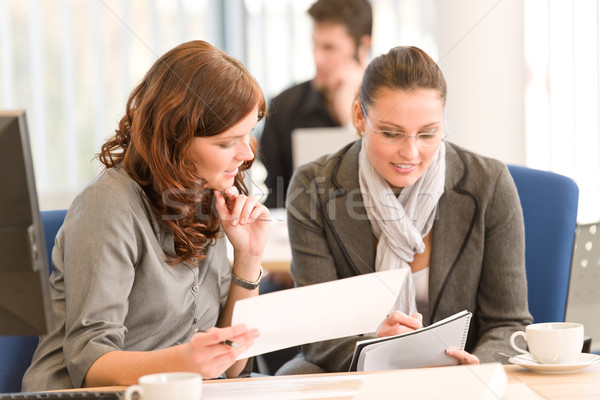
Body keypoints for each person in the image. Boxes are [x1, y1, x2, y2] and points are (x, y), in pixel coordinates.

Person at [22, 40, 270, 390]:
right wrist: (186, 362)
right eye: (226, 143)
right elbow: (89, 360)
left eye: (248, 136)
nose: (246, 154)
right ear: (175, 140)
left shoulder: (206, 196)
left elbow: (232, 366)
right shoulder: (107, 206)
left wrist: (248, 257)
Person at [277, 45, 533, 375]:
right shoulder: (313, 186)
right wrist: (373, 345)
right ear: (359, 116)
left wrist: (474, 368)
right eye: (390, 132)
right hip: (357, 366)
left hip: (460, 370)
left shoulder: (489, 183)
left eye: (428, 133)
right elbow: (318, 332)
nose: (410, 152)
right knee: (292, 377)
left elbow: (509, 322)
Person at [259, 0, 372, 209]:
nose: (317, 58)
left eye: (329, 48)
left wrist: (349, 119)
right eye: (314, 44)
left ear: (362, 48)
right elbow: (276, 197)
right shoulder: (283, 107)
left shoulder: (385, 110)